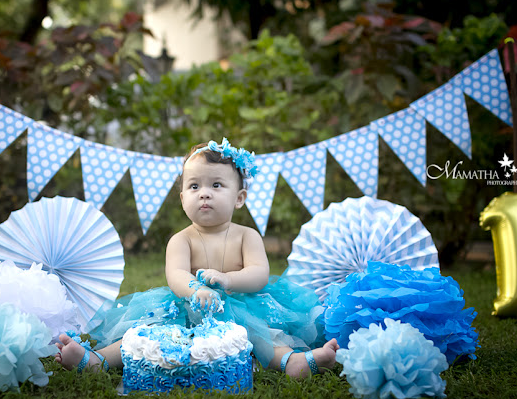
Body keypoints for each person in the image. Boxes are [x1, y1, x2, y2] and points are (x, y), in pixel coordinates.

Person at [55, 138, 339, 378]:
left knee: (261, 335)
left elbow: (259, 273)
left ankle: (292, 362)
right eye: (194, 187)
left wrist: (228, 279)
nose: (204, 194)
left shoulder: (246, 235)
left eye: (216, 185)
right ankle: (99, 360)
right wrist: (196, 289)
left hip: (244, 305)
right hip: (189, 306)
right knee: (147, 331)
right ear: (182, 198)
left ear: (239, 198)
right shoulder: (181, 239)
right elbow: (176, 274)